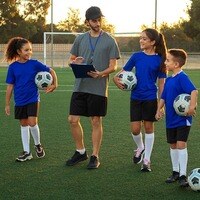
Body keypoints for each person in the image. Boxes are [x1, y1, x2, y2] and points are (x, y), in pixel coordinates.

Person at [66, 6, 120, 169]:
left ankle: (95, 156)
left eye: (99, 20)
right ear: (87, 22)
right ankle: (81, 151)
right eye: (94, 20)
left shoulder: (110, 40)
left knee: (95, 121)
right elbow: (71, 60)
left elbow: (114, 66)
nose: (97, 23)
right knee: (72, 119)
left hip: (98, 87)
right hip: (80, 86)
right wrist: (74, 63)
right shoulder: (80, 39)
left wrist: (101, 73)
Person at [113, 28, 167, 172]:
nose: (141, 41)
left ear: (153, 42)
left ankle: (147, 160)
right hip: (136, 97)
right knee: (135, 129)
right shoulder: (136, 56)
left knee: (149, 128)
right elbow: (122, 73)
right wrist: (115, 79)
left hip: (150, 98)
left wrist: (160, 105)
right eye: (140, 38)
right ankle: (140, 147)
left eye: (144, 38)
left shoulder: (160, 59)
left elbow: (162, 84)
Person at [5, 37, 58, 162]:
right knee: (23, 125)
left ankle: (38, 145)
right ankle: (27, 152)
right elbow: (10, 86)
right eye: (26, 50)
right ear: (19, 51)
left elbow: (51, 71)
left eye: (30, 50)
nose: (29, 52)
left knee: (32, 123)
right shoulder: (13, 67)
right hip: (19, 100)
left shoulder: (35, 64)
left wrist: (55, 84)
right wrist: (7, 103)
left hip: (33, 99)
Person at [155, 49, 198, 187]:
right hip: (171, 119)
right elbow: (164, 97)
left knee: (181, 144)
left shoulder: (182, 77)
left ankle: (183, 175)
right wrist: (159, 109)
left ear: (176, 64)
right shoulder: (169, 79)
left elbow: (194, 91)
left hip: (183, 119)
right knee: (173, 145)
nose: (165, 62)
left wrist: (191, 107)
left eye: (168, 60)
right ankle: (175, 172)